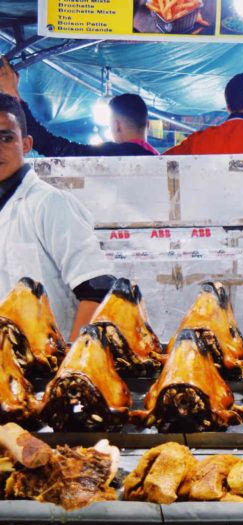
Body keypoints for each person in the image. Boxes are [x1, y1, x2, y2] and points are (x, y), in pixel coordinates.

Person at [0, 94, 115, 340]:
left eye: (6, 138)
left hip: (47, 369)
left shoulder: (49, 204)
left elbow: (97, 290)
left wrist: (73, 363)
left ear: (27, 144)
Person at [0, 57, 159, 156]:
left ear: (117, 125)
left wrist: (13, 94)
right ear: (148, 125)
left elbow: (51, 146)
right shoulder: (163, 161)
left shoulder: (114, 155)